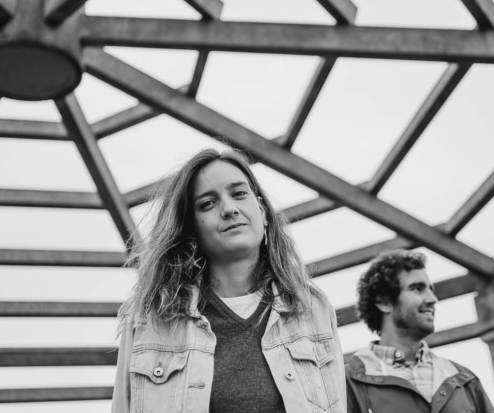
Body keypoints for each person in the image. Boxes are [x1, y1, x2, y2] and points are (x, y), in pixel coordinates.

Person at [112, 148, 345, 413]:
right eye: (208, 203)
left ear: (264, 213)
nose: (229, 209)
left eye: (239, 194)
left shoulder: (312, 308)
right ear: (190, 228)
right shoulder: (147, 318)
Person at [346, 250, 494, 413]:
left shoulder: (466, 381)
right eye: (417, 288)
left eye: (431, 289)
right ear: (384, 302)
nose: (433, 299)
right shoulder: (347, 381)